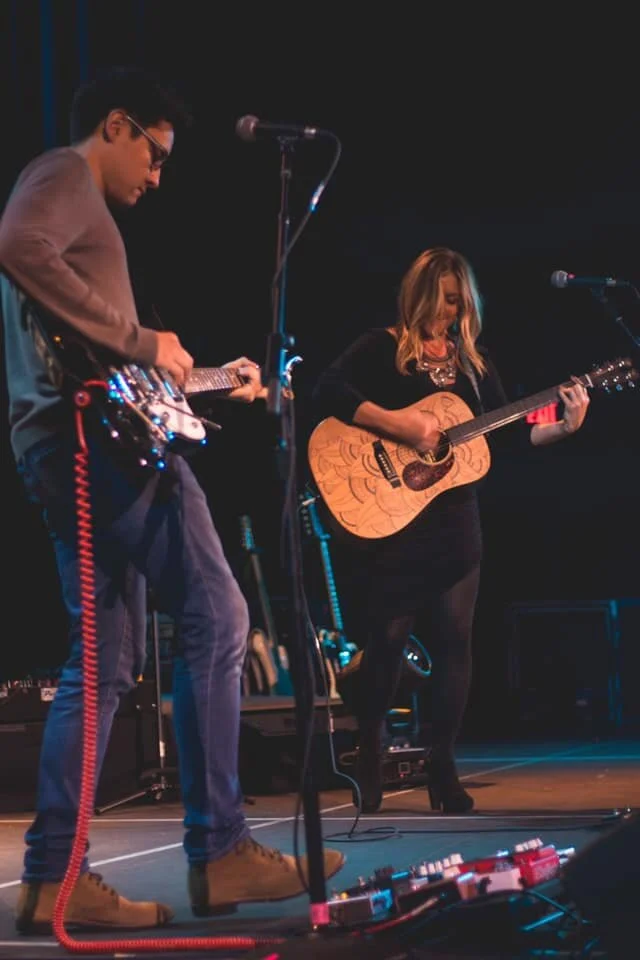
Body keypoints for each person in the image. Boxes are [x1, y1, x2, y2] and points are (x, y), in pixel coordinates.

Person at [0, 65, 344, 934]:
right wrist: (142, 339)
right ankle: (221, 849)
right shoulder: (64, 176)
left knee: (105, 664)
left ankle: (56, 877)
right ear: (117, 125)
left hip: (66, 442)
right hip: (95, 446)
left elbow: (107, 363)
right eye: (154, 155)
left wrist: (204, 378)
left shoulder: (81, 202)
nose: (157, 178)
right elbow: (17, 244)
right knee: (221, 619)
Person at [310, 246, 590, 815]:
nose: (450, 316)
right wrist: (401, 424)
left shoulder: (475, 365)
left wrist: (564, 426)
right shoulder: (382, 347)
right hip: (395, 516)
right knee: (387, 642)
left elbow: (510, 435)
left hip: (456, 520)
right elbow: (328, 391)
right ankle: (369, 754)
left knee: (456, 642)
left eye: (459, 304)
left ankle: (443, 767)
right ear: (420, 299)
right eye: (443, 303)